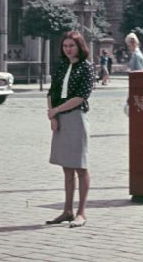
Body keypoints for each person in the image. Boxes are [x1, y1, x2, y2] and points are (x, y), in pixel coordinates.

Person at [45, 30, 96, 228]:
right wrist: (53, 115)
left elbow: (81, 96)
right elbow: (52, 92)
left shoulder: (86, 68)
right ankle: (67, 210)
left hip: (76, 118)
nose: (68, 49)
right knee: (67, 167)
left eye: (71, 46)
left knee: (80, 167)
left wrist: (57, 109)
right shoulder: (61, 66)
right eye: (65, 46)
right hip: (60, 119)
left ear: (80, 47)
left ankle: (81, 213)